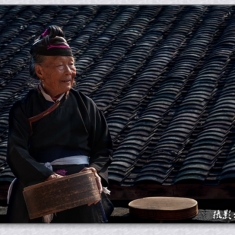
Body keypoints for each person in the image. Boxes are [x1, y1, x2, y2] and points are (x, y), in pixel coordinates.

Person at [6, 25, 114, 223]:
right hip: (39, 179)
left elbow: (103, 147)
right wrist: (46, 175)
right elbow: (16, 151)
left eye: (71, 64)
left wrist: (93, 170)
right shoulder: (23, 108)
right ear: (40, 71)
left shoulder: (86, 105)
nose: (69, 72)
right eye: (60, 65)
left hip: (80, 180)